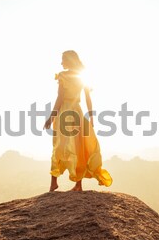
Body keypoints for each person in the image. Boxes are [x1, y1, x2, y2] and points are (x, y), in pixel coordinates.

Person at [43, 50, 112, 191]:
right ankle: (78, 185)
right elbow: (87, 98)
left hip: (64, 113)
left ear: (69, 60)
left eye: (63, 59)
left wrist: (51, 116)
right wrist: (91, 116)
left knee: (59, 146)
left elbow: (60, 98)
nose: (61, 62)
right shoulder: (82, 76)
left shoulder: (63, 76)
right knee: (78, 146)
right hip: (77, 112)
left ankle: (53, 183)